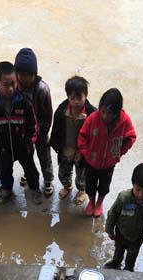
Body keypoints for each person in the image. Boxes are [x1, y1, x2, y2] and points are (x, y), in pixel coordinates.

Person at [0, 61, 41, 204]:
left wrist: (29, 142)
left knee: (31, 171)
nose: (10, 88)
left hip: (23, 146)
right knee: (5, 172)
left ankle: (34, 189)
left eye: (13, 84)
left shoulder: (24, 101)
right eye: (6, 84)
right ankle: (7, 190)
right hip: (4, 148)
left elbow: (33, 125)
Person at [77, 88, 137, 217]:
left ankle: (99, 203)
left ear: (117, 112)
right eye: (103, 112)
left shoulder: (125, 121)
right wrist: (86, 153)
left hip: (109, 163)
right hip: (91, 161)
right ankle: (91, 202)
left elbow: (131, 137)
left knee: (104, 186)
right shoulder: (93, 118)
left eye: (110, 113)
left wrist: (120, 152)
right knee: (90, 185)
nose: (105, 116)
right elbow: (82, 136)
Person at [104, 163, 143, 271]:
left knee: (132, 255)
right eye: (138, 189)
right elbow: (113, 214)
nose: (140, 194)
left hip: (138, 236)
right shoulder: (123, 197)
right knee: (118, 251)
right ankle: (116, 263)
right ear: (133, 184)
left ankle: (129, 267)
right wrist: (109, 230)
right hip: (121, 233)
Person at [49, 76, 95, 206]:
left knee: (82, 175)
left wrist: (86, 151)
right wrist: (58, 147)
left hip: (83, 152)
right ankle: (67, 186)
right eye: (72, 98)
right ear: (68, 96)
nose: (75, 101)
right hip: (66, 149)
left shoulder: (92, 114)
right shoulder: (61, 111)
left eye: (79, 97)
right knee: (63, 172)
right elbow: (56, 129)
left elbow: (94, 136)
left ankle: (81, 190)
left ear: (85, 95)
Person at [15, 47, 54, 196]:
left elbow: (48, 113)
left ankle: (48, 180)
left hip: (41, 132)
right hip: (24, 132)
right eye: (22, 74)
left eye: (29, 75)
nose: (25, 78)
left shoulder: (42, 89)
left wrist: (43, 132)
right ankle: (28, 173)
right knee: (26, 157)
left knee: (45, 157)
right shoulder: (15, 88)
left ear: (35, 74)